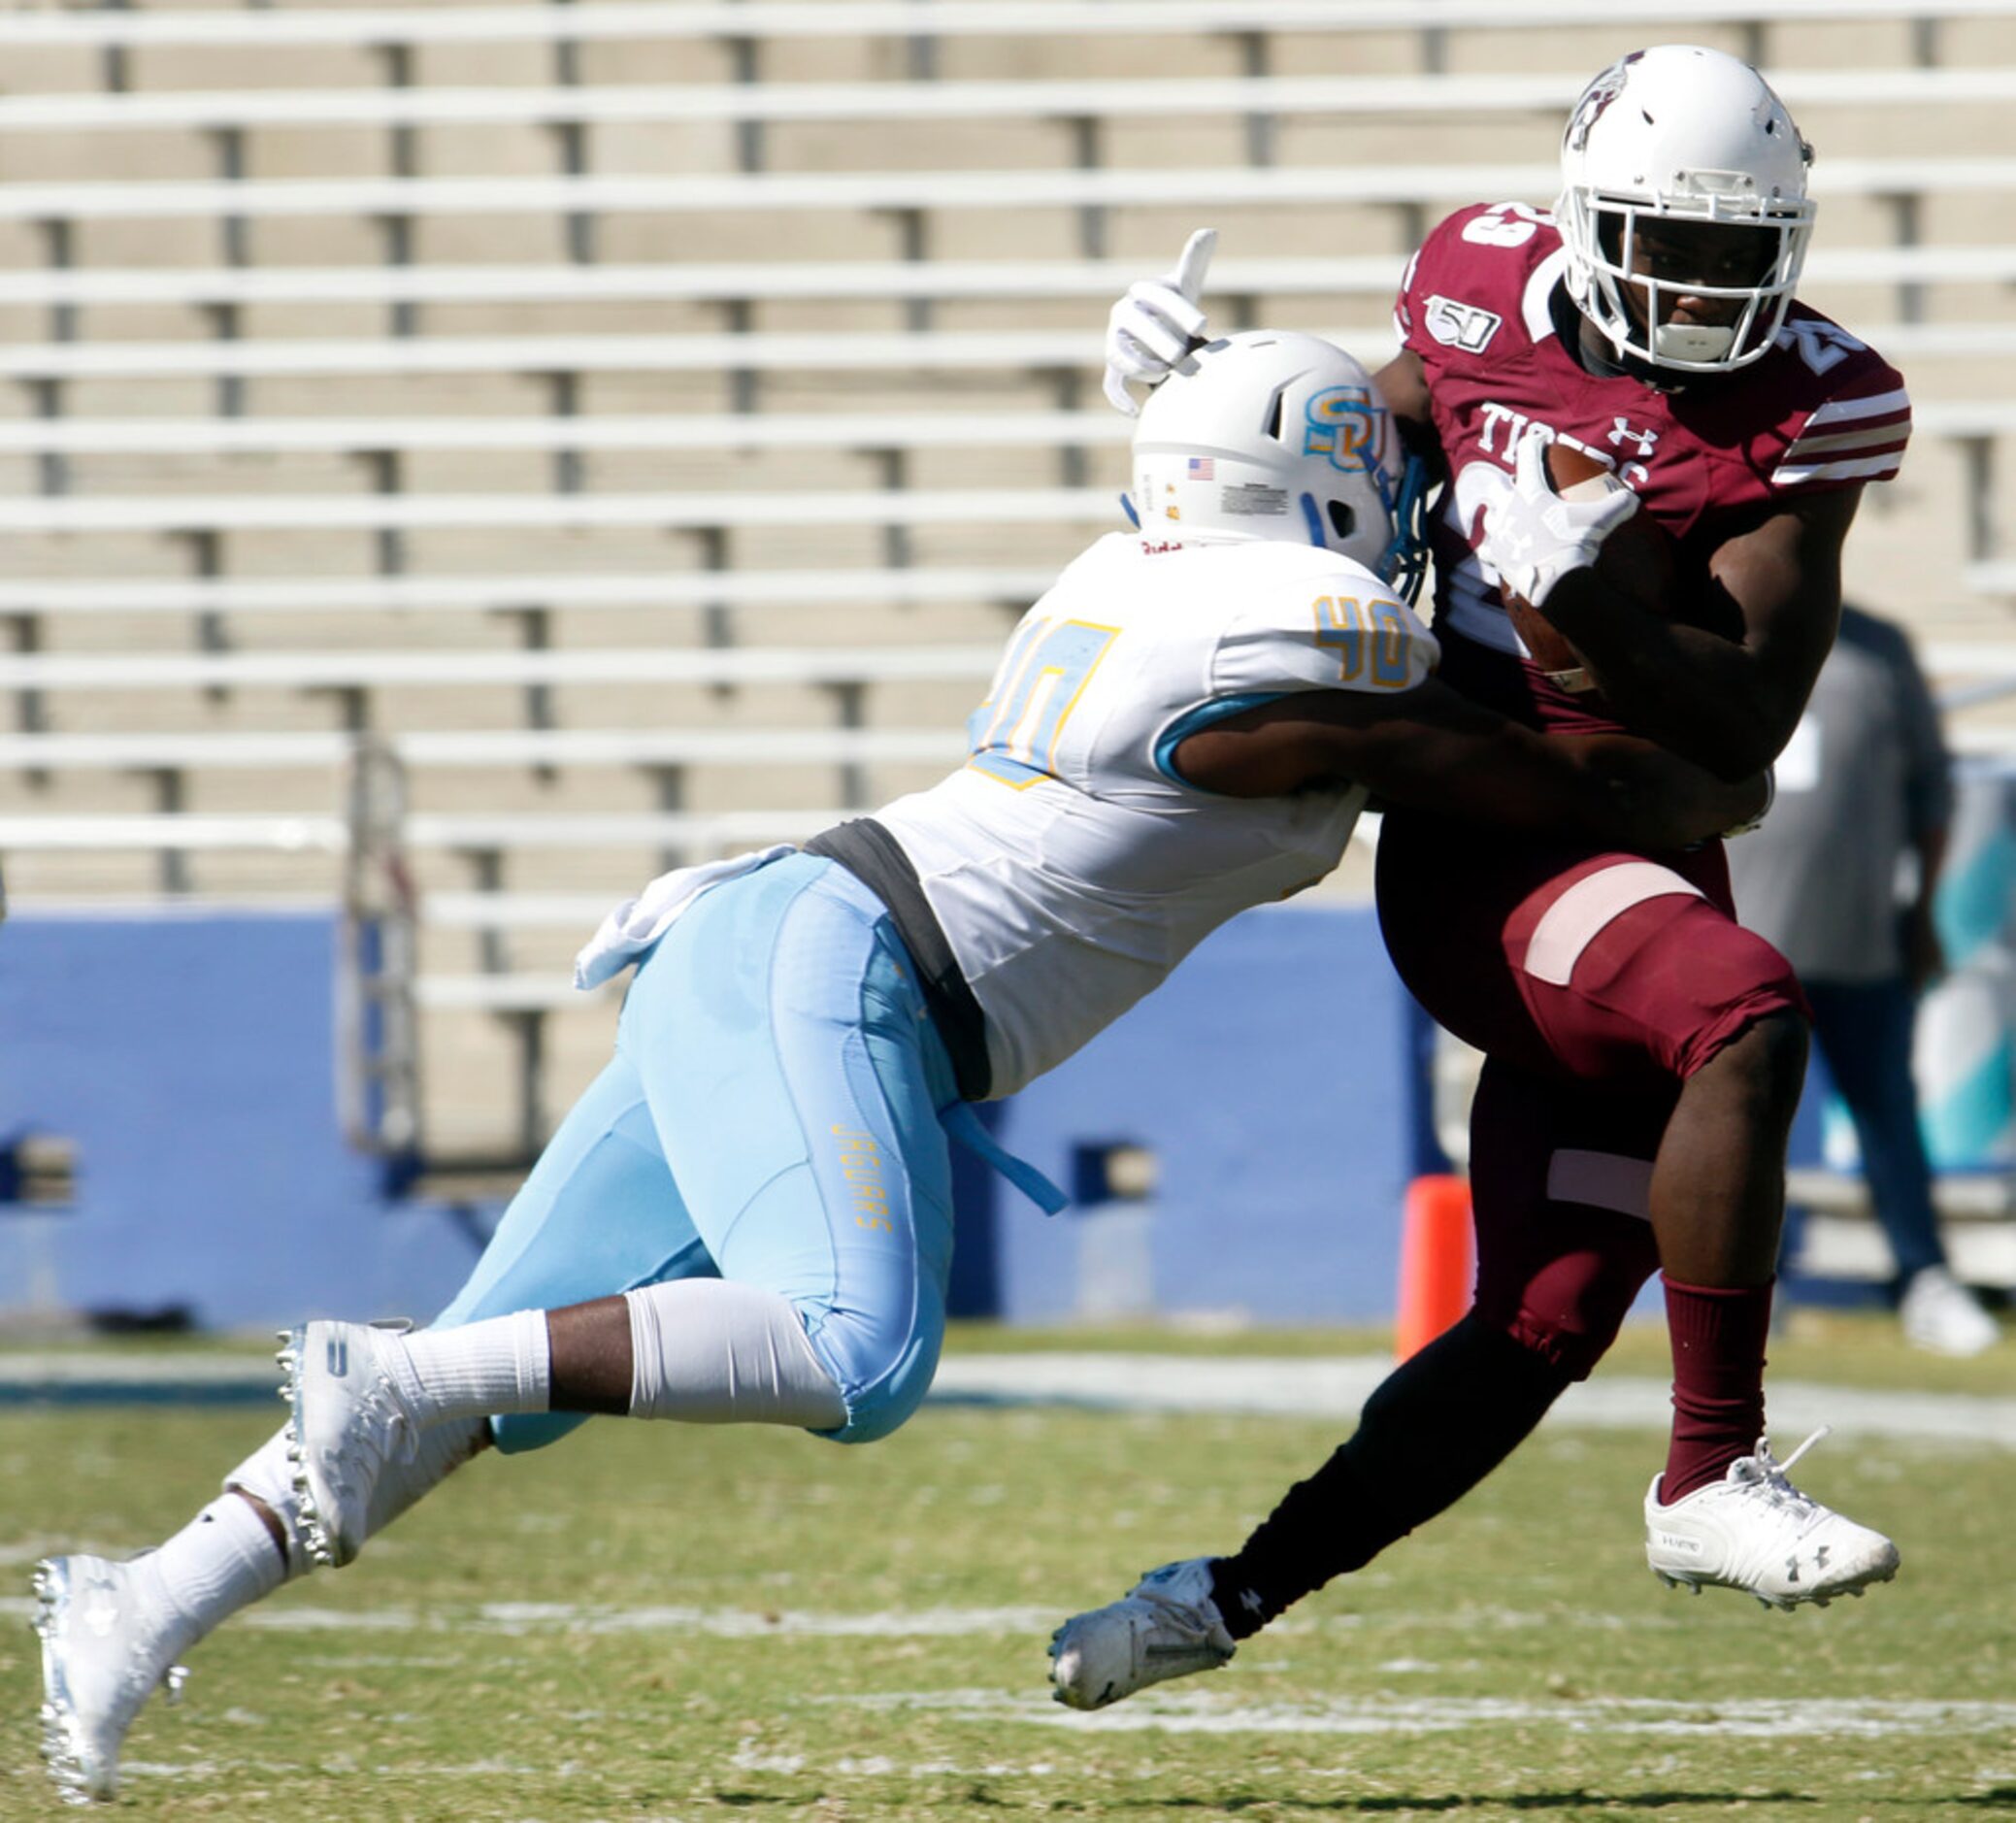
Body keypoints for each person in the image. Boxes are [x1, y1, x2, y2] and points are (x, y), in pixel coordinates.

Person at [30, 330, 1763, 1805]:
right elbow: (1570, 793)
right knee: (850, 1350)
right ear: (1309, 498)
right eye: (1369, 480)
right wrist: (1591, 629)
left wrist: (1217, 374)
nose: (1395, 511)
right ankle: (381, 1371)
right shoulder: (1292, 637)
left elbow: (1282, 493)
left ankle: (143, 1597)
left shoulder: (1152, 573)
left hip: (789, 944)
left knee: (512, 1379)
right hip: (841, 974)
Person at [1052, 44, 1912, 1711]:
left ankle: (1213, 1598)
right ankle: (1709, 1472)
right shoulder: (1476, 286)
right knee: (1737, 1008)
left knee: (1541, 1315)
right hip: (1492, 836)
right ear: (1587, 222)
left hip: (1633, 847)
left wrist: (1584, 594)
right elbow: (1351, 443)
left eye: (1739, 251)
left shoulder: (1816, 399)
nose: (1698, 286)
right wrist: (1202, 395)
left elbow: (1743, 711)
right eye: (1667, 242)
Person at [1727, 605, 1998, 1355]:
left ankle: (1924, 1279)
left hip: (1861, 946)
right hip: (1731, 951)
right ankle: (1742, 1292)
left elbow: (1931, 793)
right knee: (1739, 1127)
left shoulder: (1879, 651)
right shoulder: (1708, 638)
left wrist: (1922, 916)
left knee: (1887, 1119)